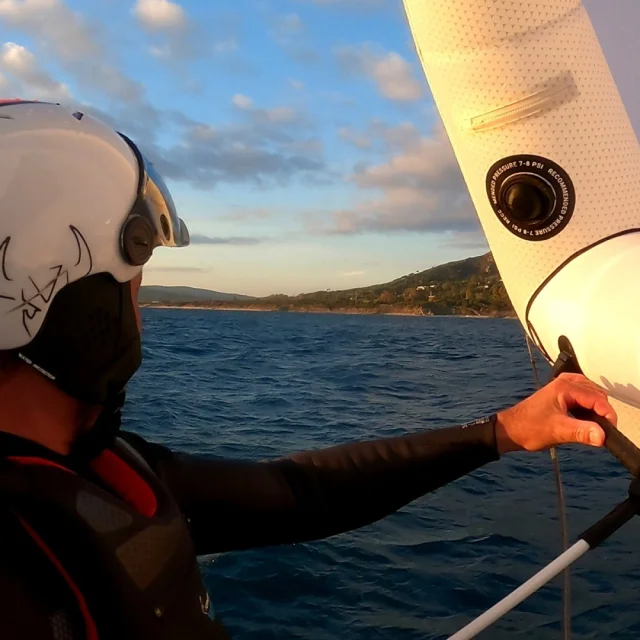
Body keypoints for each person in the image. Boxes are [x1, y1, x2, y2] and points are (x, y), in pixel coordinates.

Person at [0, 100, 618, 640]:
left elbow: (301, 493)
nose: (142, 315)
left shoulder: (100, 467)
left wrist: (506, 429)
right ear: (79, 301)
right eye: (135, 285)